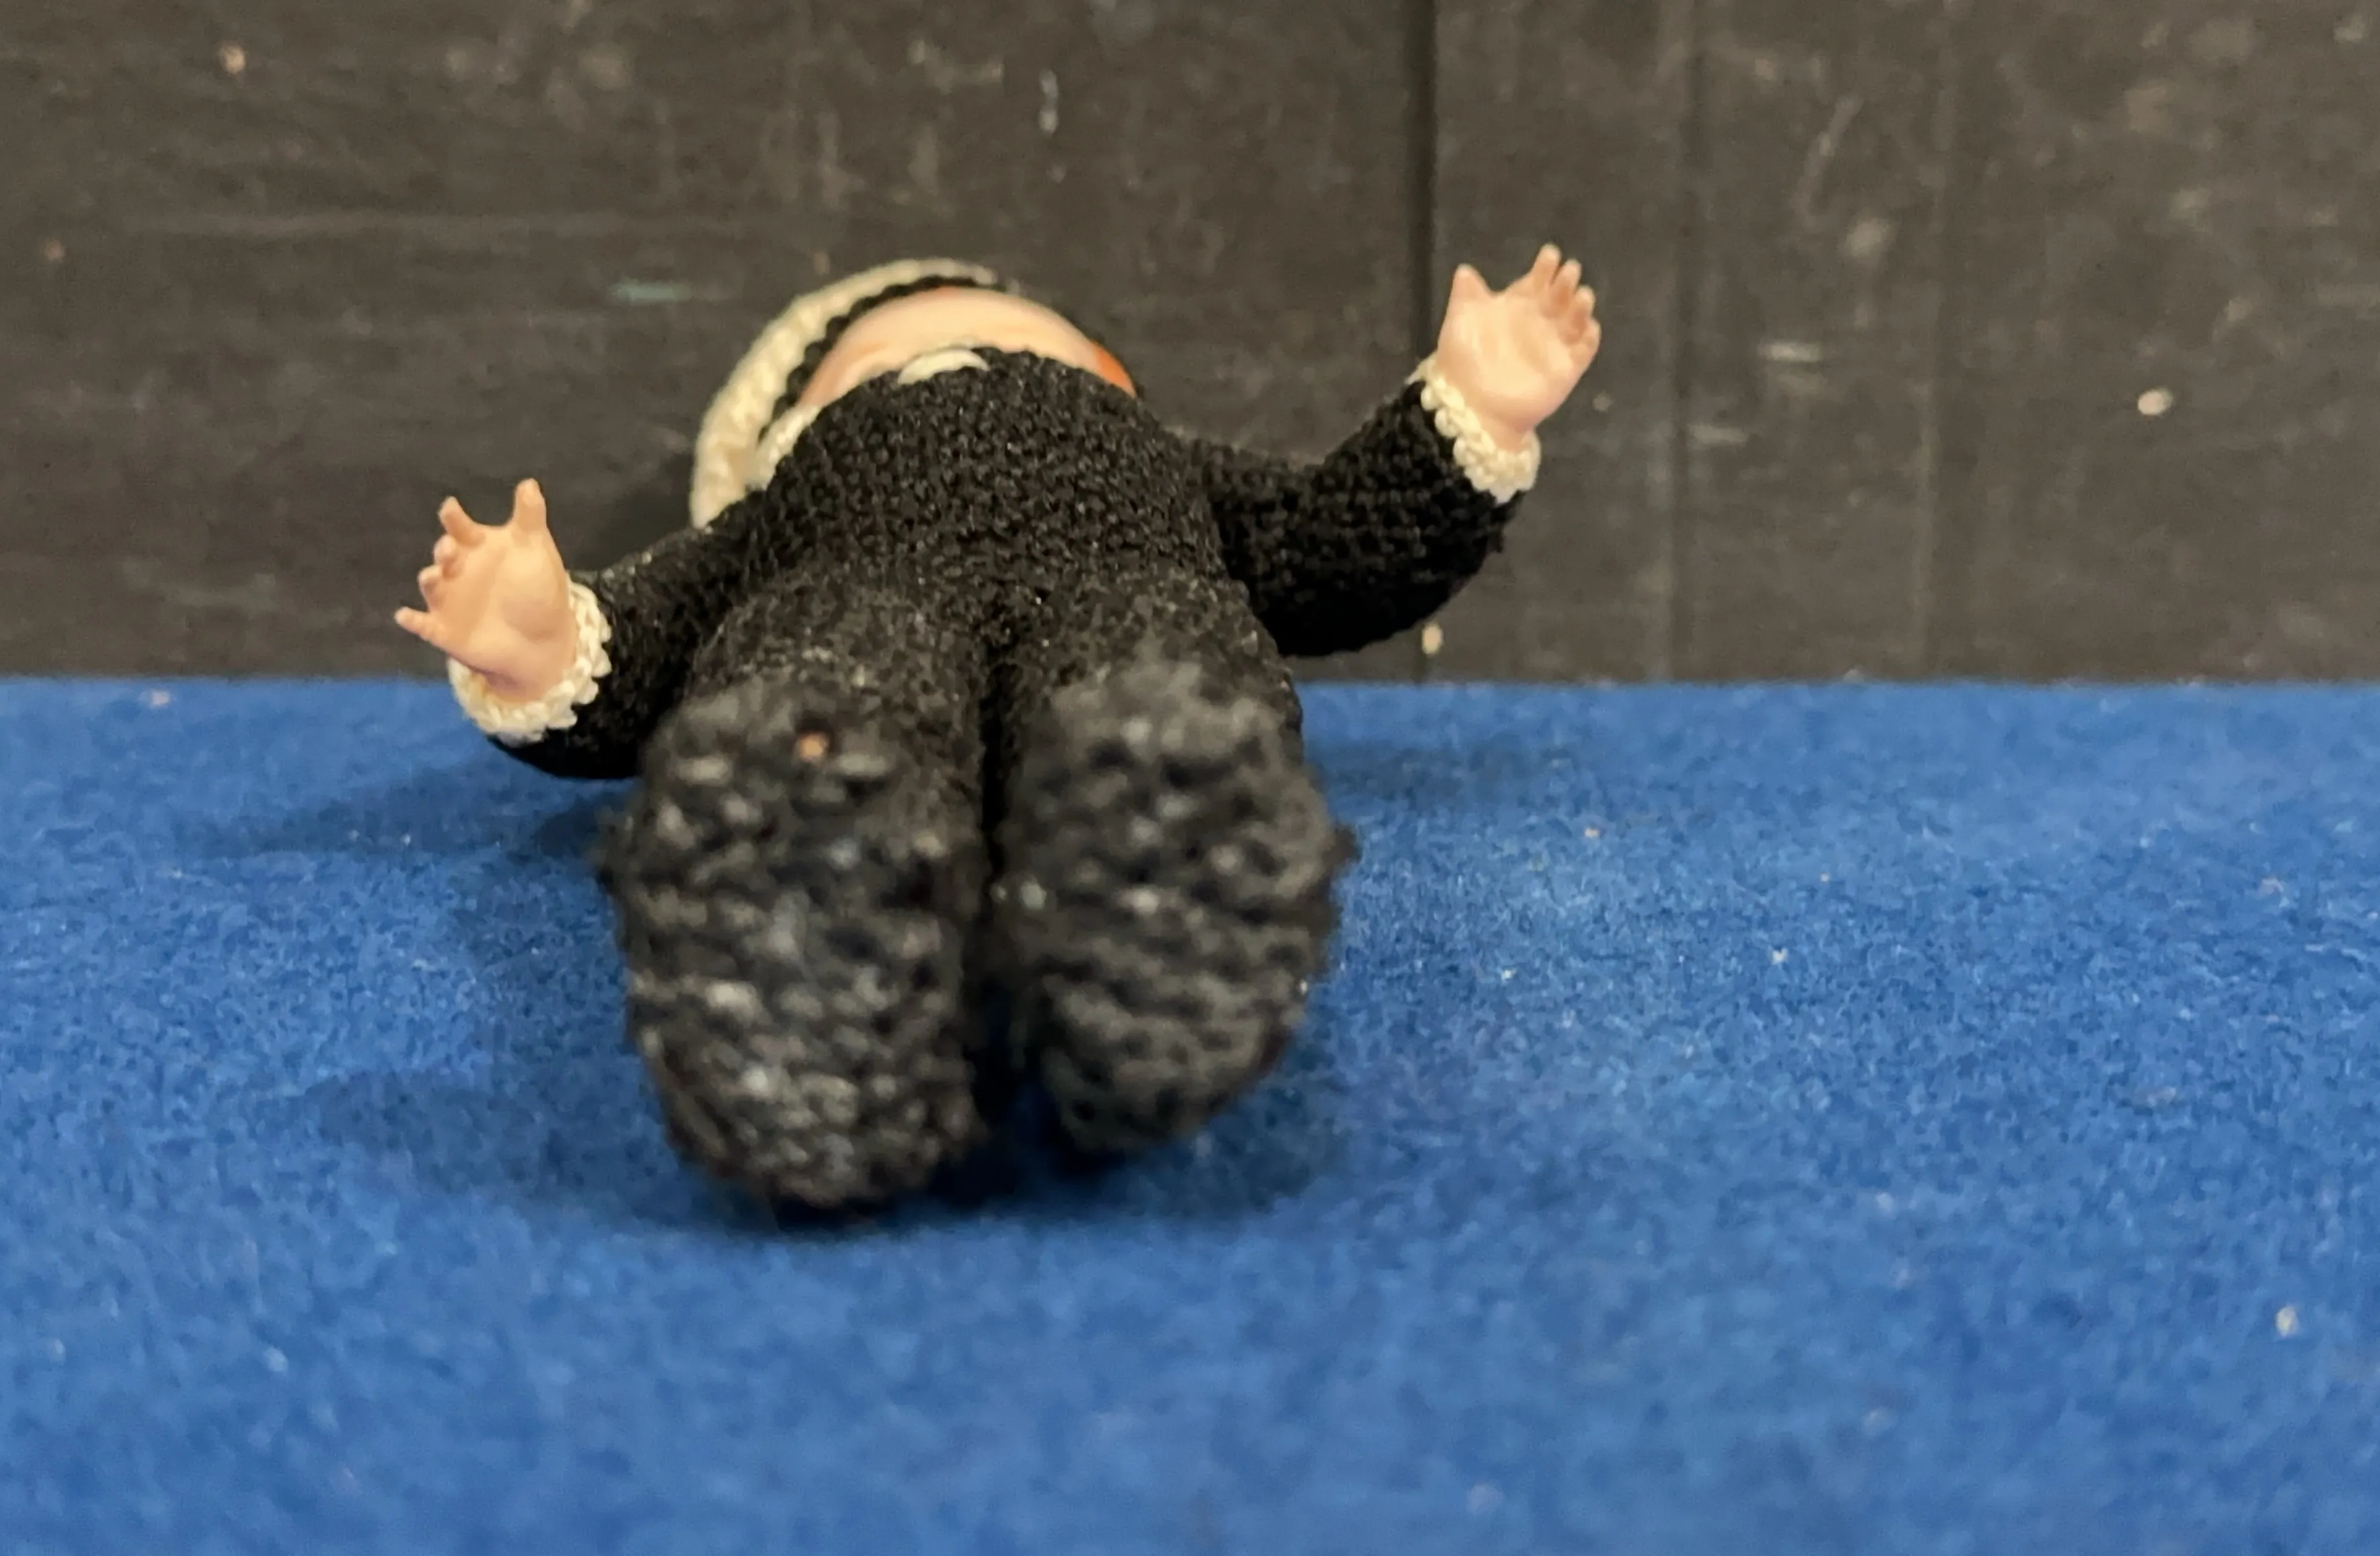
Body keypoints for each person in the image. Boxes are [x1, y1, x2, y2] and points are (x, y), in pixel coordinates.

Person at [395, 246, 1602, 1210]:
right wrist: (549, 640)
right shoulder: (781, 512)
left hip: (1125, 587)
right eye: (874, 354)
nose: (964, 349)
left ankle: (1151, 853)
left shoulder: (1167, 467)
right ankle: (806, 903)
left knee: (1151, 663)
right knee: (825, 674)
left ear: (1113, 379)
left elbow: (1326, 542)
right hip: (853, 592)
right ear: (780, 433)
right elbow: (654, 639)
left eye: (1038, 340)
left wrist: (1464, 416)